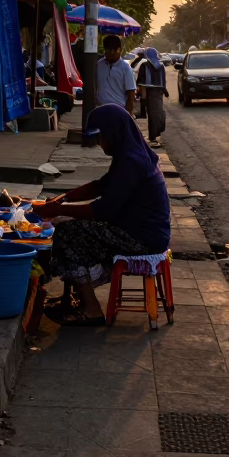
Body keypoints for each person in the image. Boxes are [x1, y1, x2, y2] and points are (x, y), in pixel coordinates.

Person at [34, 103, 171, 326]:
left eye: (101, 136)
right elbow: (100, 186)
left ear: (113, 132)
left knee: (68, 232)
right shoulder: (129, 155)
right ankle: (77, 296)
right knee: (69, 225)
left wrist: (58, 210)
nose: (99, 142)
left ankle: (91, 309)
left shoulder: (131, 162)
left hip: (143, 238)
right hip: (137, 230)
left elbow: (103, 210)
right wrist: (63, 198)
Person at [94, 35, 136, 117]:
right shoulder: (100, 64)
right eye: (106, 50)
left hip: (118, 110)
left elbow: (130, 93)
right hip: (101, 109)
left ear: (118, 50)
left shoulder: (125, 68)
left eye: (111, 50)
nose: (108, 53)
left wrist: (129, 112)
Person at [136, 47, 169, 146]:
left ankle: (154, 135)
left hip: (150, 93)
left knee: (153, 115)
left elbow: (141, 83)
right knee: (157, 113)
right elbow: (163, 82)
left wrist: (143, 98)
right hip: (158, 93)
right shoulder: (161, 66)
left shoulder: (145, 65)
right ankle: (154, 135)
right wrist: (165, 91)